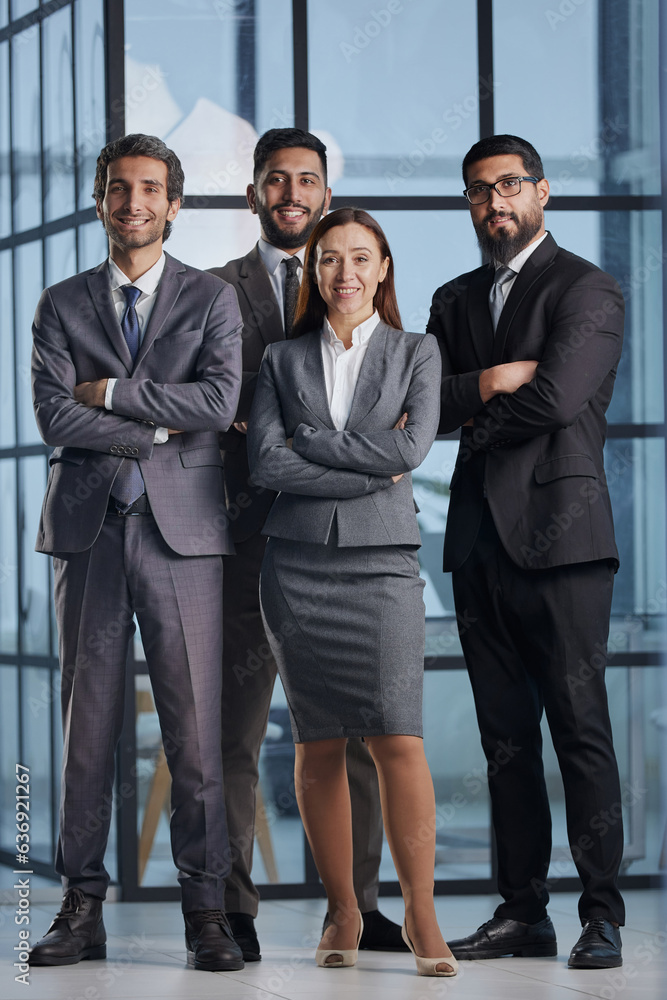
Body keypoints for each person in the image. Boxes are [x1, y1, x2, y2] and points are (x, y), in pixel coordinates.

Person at [29, 134, 245, 972]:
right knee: (86, 731)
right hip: (88, 533)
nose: (134, 204)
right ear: (99, 201)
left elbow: (220, 399)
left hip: (184, 532)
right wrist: (164, 419)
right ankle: (79, 909)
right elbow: (55, 418)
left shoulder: (211, 300)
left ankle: (206, 914)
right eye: (119, 189)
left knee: (195, 731)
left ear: (174, 203)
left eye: (150, 189)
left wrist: (116, 396)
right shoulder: (59, 303)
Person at [208, 128, 408, 959]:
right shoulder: (213, 292)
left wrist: (282, 436)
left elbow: (395, 425)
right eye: (276, 180)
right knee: (234, 735)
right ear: (254, 192)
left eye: (307, 180)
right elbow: (210, 407)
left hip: (340, 545)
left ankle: (355, 905)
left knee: (354, 732)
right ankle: (230, 907)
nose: (292, 193)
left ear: (326, 193)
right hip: (240, 535)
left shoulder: (350, 290)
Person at [427, 134, 625, 969]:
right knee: (502, 740)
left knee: (579, 732)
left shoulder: (587, 287)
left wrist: (477, 410)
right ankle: (522, 911)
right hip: (477, 545)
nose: (495, 203)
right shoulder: (453, 296)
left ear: (541, 192)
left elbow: (552, 398)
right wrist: (477, 392)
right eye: (479, 191)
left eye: (509, 186)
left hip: (564, 543)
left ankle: (601, 915)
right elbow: (421, 408)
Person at [247, 207, 456, 977]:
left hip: (384, 568)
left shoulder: (417, 352)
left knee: (399, 738)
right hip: (296, 566)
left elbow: (412, 446)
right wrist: (363, 459)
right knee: (318, 743)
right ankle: (342, 905)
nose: (343, 274)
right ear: (312, 271)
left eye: (359, 258)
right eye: (327, 260)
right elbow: (265, 466)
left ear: (383, 267)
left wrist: (316, 444)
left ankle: (422, 916)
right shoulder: (279, 359)